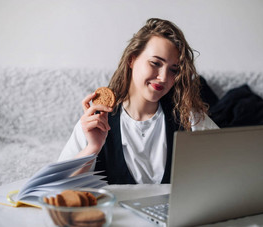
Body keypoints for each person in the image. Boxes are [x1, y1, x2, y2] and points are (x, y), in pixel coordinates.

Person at [58, 18, 219, 184]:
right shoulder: (97, 120)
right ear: (131, 60)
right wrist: (92, 148)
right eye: (155, 63)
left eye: (173, 70)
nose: (163, 77)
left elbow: (228, 166)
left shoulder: (188, 118)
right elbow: (57, 190)